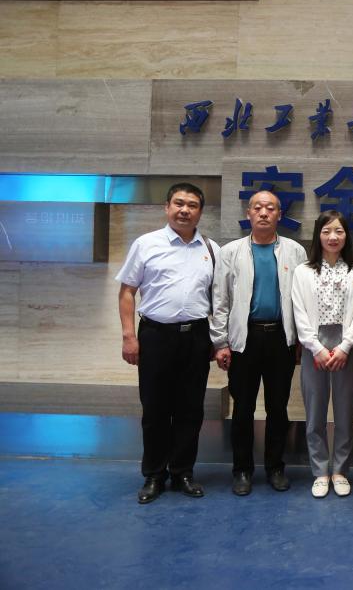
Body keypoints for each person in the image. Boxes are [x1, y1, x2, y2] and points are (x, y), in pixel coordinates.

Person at [116, 182, 218, 504]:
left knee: (191, 409)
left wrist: (218, 341)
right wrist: (129, 336)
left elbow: (218, 300)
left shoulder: (211, 249)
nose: (185, 210)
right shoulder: (146, 244)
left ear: (200, 212)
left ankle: (183, 472)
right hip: (156, 336)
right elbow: (127, 291)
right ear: (167, 207)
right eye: (179, 203)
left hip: (197, 337)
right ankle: (154, 475)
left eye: (192, 205)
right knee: (155, 408)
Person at [210, 190, 308, 496]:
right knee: (243, 408)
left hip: (281, 338)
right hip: (245, 339)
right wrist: (220, 342)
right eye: (257, 208)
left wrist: (300, 339)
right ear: (248, 213)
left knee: (278, 407)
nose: (264, 213)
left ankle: (276, 467)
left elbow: (303, 300)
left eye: (270, 208)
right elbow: (220, 301)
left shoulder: (295, 251)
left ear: (280, 214)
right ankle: (242, 470)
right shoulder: (230, 252)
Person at [291, 210, 353, 499]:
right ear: (318, 235)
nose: (333, 237)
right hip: (315, 345)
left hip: (348, 345)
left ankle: (340, 471)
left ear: (346, 236)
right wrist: (316, 347)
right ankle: (321, 471)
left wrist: (346, 346)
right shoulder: (303, 271)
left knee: (345, 412)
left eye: (339, 231)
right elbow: (299, 312)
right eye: (326, 231)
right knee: (315, 412)